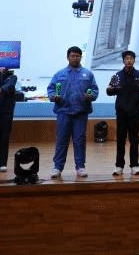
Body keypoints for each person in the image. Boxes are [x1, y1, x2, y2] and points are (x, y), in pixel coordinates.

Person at [47, 46, 99, 178]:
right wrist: (54, 97)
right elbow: (51, 89)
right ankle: (57, 167)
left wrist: (91, 96)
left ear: (81, 57)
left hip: (81, 112)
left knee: (79, 141)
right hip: (63, 111)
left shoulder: (88, 74)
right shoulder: (60, 74)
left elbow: (94, 90)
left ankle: (80, 167)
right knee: (61, 140)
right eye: (72, 56)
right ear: (68, 57)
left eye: (77, 56)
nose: (75, 58)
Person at [107, 50, 139, 176]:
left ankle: (134, 166)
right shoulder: (117, 75)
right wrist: (110, 89)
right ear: (123, 60)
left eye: (131, 58)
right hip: (121, 112)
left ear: (134, 60)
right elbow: (109, 91)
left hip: (135, 112)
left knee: (134, 139)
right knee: (121, 139)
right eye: (126, 58)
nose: (129, 60)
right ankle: (119, 166)